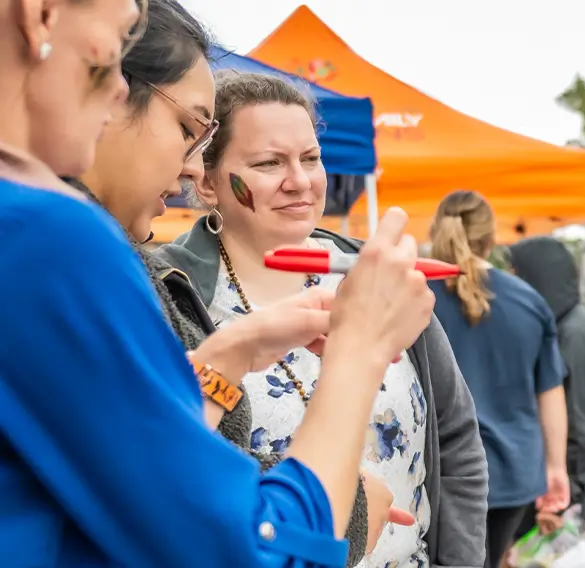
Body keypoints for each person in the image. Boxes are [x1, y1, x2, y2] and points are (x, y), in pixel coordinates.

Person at [0, 1, 435, 563]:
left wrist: (227, 357)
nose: (113, 93)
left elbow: (132, 467)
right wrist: (360, 349)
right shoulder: (48, 237)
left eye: (310, 157)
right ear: (41, 15)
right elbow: (241, 549)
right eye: (113, 48)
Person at [156, 72, 488, 568]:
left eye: (310, 158)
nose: (301, 180)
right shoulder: (169, 292)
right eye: (269, 163)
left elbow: (457, 438)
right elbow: (171, 477)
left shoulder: (377, 274)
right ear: (206, 182)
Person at [425, 190, 570, 568]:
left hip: (437, 469)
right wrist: (557, 467)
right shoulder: (530, 302)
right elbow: (550, 393)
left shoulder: (416, 294)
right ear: (492, 240)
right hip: (514, 469)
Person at [510, 236, 585, 531]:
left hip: (565, 494)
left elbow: (580, 421)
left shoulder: (573, 335)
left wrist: (563, 499)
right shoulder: (567, 325)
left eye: (517, 274)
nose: (510, 283)